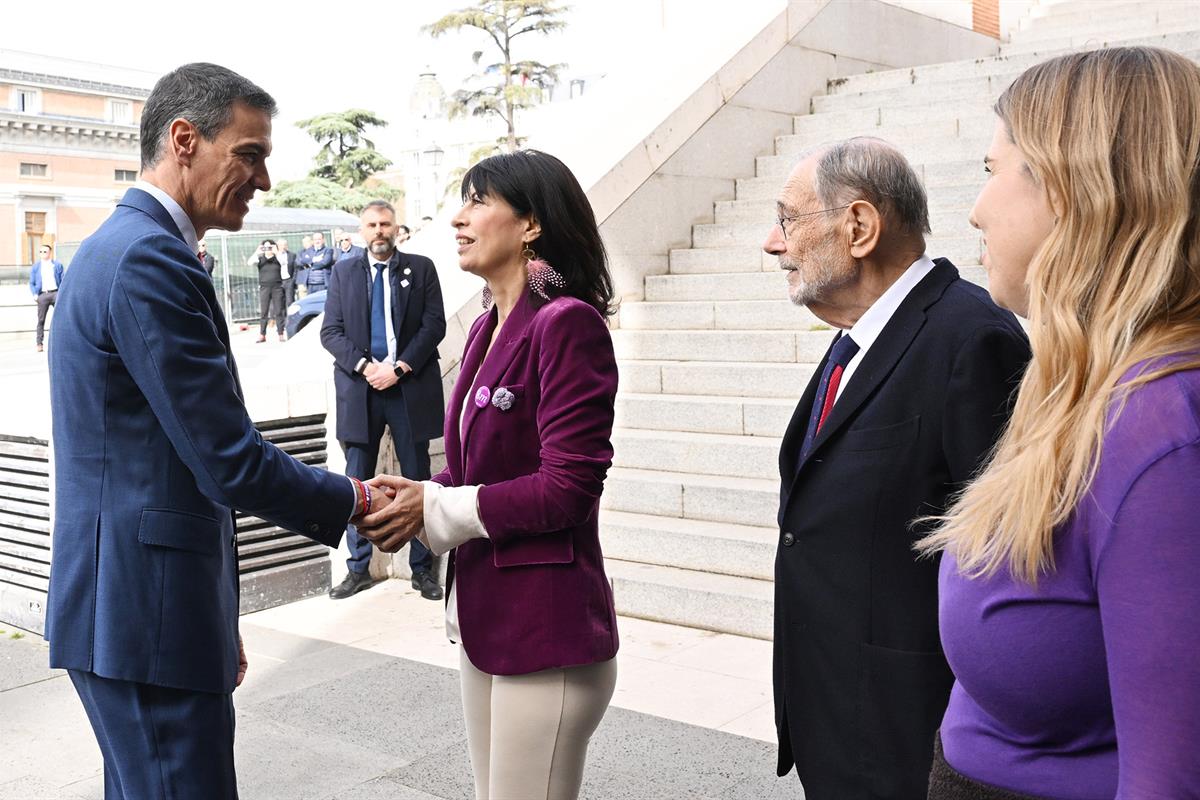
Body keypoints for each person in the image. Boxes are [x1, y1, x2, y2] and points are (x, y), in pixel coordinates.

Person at [44, 62, 388, 799]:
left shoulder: (123, 248)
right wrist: (356, 500)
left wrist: (214, 607)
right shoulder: (147, 258)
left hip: (143, 609)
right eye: (251, 154)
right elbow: (226, 460)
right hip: (144, 614)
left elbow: (163, 458)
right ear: (184, 139)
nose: (264, 181)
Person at [919, 46, 1200, 799]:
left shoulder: (1158, 430)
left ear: (1079, 188)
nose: (975, 209)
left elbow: (1169, 780)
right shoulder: (1086, 380)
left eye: (993, 170)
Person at [761, 137, 1030, 800]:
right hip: (836, 719)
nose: (773, 243)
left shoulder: (972, 338)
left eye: (788, 220)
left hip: (909, 739)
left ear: (858, 227)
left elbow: (1004, 564)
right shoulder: (857, 336)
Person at [355, 150, 620, 800]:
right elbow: (477, 471)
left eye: (478, 202)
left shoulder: (567, 324)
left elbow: (568, 488)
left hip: (546, 633)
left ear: (530, 224)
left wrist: (436, 510)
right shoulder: (482, 330)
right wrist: (420, 496)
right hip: (486, 622)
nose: (457, 218)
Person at [320, 200, 447, 601]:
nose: (379, 231)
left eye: (386, 224)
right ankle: (357, 568)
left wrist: (400, 366)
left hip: (408, 388)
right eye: (372, 224)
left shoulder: (421, 268)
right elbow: (331, 332)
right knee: (356, 480)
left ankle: (422, 569)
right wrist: (364, 366)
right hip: (361, 392)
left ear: (397, 228)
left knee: (417, 477)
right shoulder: (343, 273)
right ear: (362, 230)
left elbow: (434, 324)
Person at [246, 238, 286, 342]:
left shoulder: (278, 258)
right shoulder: (260, 258)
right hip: (264, 287)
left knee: (278, 311)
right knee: (264, 312)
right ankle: (262, 334)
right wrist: (257, 251)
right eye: (266, 247)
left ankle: (281, 333)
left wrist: (276, 252)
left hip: (277, 287)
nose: (268, 249)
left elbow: (284, 262)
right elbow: (249, 263)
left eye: (270, 247)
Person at [28, 243, 64, 352]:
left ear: (50, 253)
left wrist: (62, 293)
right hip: (43, 295)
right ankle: (39, 343)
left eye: (45, 251)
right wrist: (35, 294)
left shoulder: (57, 265)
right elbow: (32, 282)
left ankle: (62, 342)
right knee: (41, 320)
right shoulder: (36, 267)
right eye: (41, 252)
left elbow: (63, 279)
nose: (43, 254)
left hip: (55, 293)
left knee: (61, 317)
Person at [277, 237, 298, 306]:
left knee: (290, 301)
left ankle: (290, 316)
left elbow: (295, 269)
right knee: (280, 301)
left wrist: (293, 280)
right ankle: (282, 316)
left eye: (284, 245)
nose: (283, 247)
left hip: (289, 280)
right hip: (278, 281)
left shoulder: (292, 255)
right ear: (278, 246)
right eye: (281, 245)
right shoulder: (275, 256)